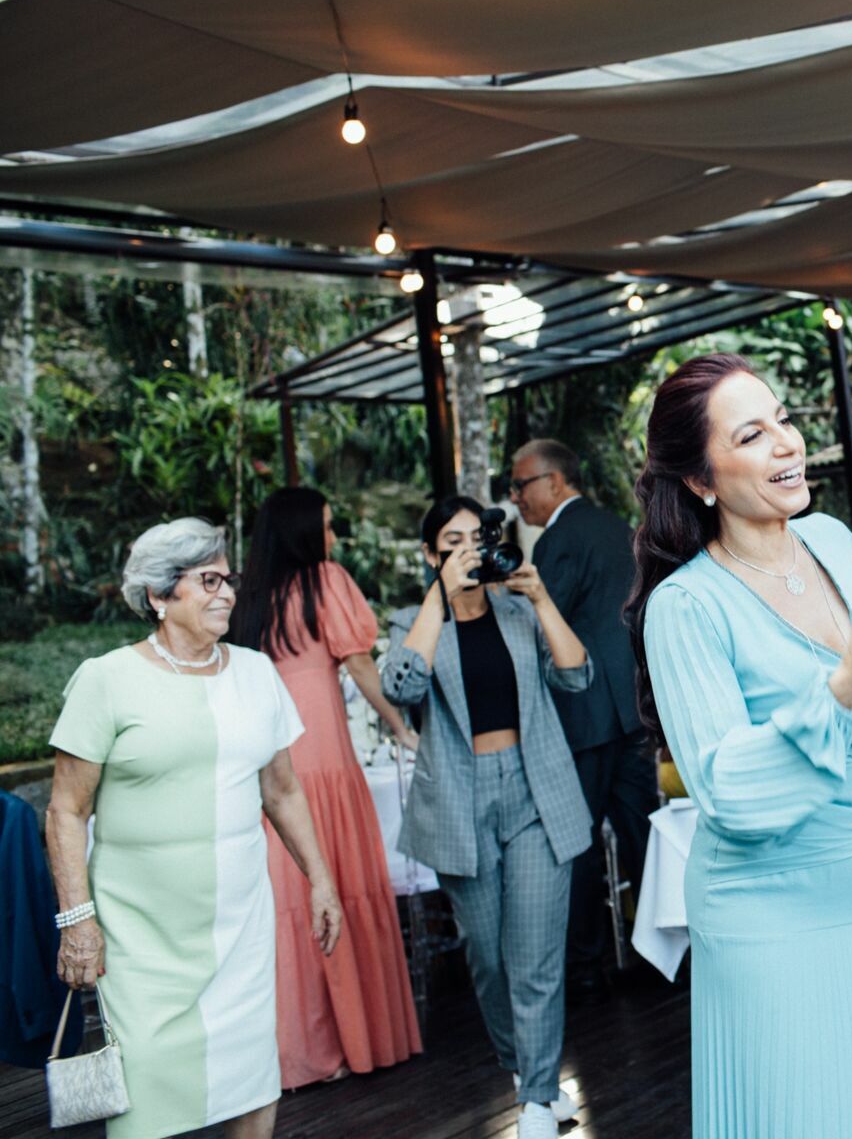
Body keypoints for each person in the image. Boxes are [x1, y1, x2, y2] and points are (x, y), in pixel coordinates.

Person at [630, 354, 852, 1138]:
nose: (787, 445)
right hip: (775, 922)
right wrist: (844, 689)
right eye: (753, 435)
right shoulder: (684, 607)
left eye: (784, 421)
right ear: (700, 480)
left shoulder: (831, 539)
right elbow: (727, 790)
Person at [44, 518, 343, 1139]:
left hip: (240, 924)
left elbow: (281, 789)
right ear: (158, 596)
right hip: (141, 933)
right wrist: (78, 922)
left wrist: (321, 880)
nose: (227, 593)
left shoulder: (257, 673)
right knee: (145, 1094)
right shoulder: (107, 680)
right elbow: (66, 810)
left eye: (228, 579)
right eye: (207, 580)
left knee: (253, 1080)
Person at [381, 496, 595, 1139]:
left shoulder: (515, 611)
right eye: (453, 540)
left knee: (533, 956)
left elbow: (578, 677)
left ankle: (534, 1097)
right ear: (431, 553)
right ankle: (526, 1070)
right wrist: (437, 598)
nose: (471, 549)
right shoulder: (408, 621)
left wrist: (540, 597)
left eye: (479, 536)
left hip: (535, 793)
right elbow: (402, 687)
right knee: (489, 957)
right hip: (458, 798)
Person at [230, 487, 422, 1090]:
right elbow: (362, 665)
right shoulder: (325, 580)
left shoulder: (250, 597)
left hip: (274, 764)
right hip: (325, 759)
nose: (334, 538)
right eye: (328, 526)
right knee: (340, 892)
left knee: (292, 907)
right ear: (303, 535)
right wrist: (401, 726)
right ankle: (358, 1040)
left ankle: (301, 1053)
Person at [509, 440, 655, 991]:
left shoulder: (558, 541)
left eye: (521, 485)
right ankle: (666, 951)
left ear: (555, 481)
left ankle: (587, 967)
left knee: (579, 843)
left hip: (582, 713)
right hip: (630, 710)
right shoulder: (618, 525)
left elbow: (545, 630)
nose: (516, 498)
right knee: (641, 833)